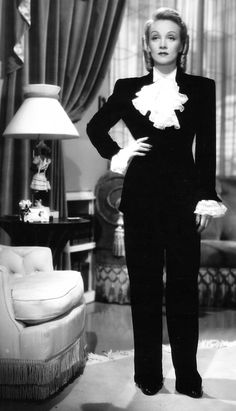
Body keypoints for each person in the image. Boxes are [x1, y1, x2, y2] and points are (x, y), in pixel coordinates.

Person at [86, 7, 226, 398]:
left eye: (171, 37)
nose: (163, 43)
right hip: (141, 198)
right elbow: (96, 127)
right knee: (145, 290)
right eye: (155, 37)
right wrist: (121, 152)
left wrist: (206, 199)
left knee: (183, 290)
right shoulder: (128, 85)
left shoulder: (202, 87)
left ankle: (188, 376)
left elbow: (208, 149)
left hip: (185, 201)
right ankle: (147, 374)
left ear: (183, 45)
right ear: (147, 46)